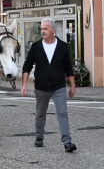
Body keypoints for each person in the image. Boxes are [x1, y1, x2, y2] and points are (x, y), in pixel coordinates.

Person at [21, 18, 77, 153]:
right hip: (41, 87)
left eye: (45, 29)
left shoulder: (62, 46)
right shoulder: (36, 47)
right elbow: (27, 66)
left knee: (62, 113)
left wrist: (73, 85)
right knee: (40, 114)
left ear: (53, 30)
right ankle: (39, 137)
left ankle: (67, 142)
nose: (43, 31)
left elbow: (68, 67)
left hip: (59, 86)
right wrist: (24, 84)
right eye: (41, 29)